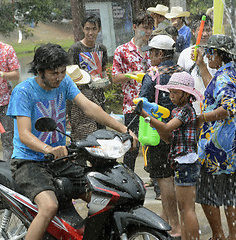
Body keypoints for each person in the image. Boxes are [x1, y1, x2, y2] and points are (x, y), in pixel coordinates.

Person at [7, 43, 137, 240]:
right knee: (49, 206)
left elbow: (90, 108)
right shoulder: (23, 92)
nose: (59, 77)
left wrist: (124, 129)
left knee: (104, 196)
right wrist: (48, 148)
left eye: (61, 72)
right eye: (53, 73)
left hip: (59, 160)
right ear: (40, 71)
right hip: (29, 161)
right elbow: (24, 134)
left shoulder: (65, 82)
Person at [195, 34, 236, 240]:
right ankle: (232, 236)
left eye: (210, 53)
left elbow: (228, 106)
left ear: (219, 55)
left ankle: (218, 235)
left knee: (207, 191)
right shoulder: (233, 73)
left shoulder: (225, 77)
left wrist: (202, 118)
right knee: (231, 192)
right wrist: (201, 66)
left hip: (220, 144)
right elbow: (216, 90)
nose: (207, 56)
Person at [140, 71, 202, 240]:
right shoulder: (177, 110)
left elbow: (167, 129)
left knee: (187, 208)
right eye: (170, 92)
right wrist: (156, 122)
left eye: (175, 92)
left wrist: (147, 117)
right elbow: (167, 138)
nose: (172, 96)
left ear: (186, 94)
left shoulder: (186, 111)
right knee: (183, 208)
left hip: (187, 162)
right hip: (180, 162)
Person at [139, 34, 184, 239]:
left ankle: (175, 226)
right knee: (172, 178)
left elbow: (142, 99)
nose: (149, 56)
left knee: (164, 181)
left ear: (159, 53)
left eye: (151, 52)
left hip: (158, 132)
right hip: (179, 130)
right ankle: (166, 217)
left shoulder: (154, 74)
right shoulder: (181, 72)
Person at [112, 12, 154, 171]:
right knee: (131, 144)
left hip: (152, 105)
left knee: (153, 143)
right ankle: (128, 177)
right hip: (132, 105)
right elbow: (115, 77)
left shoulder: (154, 50)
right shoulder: (122, 50)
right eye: (144, 28)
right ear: (135, 27)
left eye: (150, 28)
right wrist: (132, 76)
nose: (148, 32)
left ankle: (156, 182)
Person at [67, 14, 109, 141]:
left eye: (94, 29)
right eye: (87, 29)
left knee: (101, 136)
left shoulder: (101, 49)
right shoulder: (75, 49)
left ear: (99, 29)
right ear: (83, 29)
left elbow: (104, 71)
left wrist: (106, 81)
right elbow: (69, 76)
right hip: (80, 100)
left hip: (99, 97)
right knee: (82, 136)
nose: (90, 33)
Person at [178, 13, 216, 114]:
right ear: (194, 31)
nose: (205, 34)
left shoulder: (216, 54)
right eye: (202, 30)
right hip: (192, 107)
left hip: (213, 105)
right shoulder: (185, 54)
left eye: (208, 30)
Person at [0, 23, 20, 161]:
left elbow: (16, 75)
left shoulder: (6, 50)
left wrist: (2, 74)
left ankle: (7, 171)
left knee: (8, 140)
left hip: (5, 102)